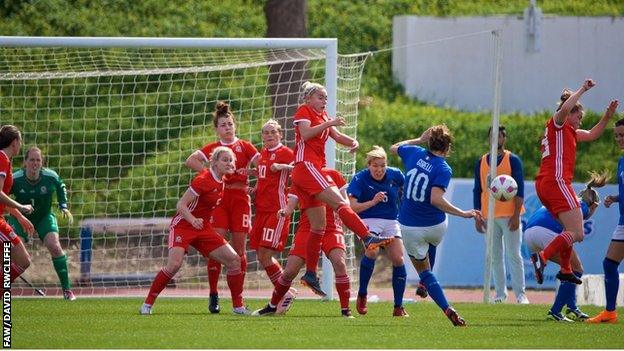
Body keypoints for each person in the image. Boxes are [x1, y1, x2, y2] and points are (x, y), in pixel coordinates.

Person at [290, 81, 391, 296]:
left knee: (318, 226)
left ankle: (309, 273)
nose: (324, 101)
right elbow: (306, 134)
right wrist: (329, 124)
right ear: (309, 99)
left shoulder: (325, 117)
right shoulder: (304, 111)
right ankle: (367, 237)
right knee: (340, 203)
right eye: (320, 97)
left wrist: (352, 141)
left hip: (311, 170)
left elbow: (336, 136)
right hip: (306, 166)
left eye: (326, 98)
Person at [390, 125, 482, 327]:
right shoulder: (443, 168)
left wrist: (418, 140)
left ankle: (446, 306)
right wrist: (463, 213)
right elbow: (436, 201)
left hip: (410, 227)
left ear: (429, 142)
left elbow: (394, 147)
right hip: (436, 227)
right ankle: (425, 283)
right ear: (448, 147)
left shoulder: (414, 153)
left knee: (425, 271)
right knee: (432, 238)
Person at [141, 147, 248, 315]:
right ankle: (147, 305)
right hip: (184, 225)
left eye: (231, 160)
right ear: (214, 162)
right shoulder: (203, 179)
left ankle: (238, 307)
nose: (229, 163)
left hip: (202, 227)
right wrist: (193, 220)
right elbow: (181, 205)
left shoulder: (223, 179)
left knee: (235, 261)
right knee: (174, 265)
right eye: (225, 160)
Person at [532, 79, 618, 286]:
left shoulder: (568, 131)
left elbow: (592, 134)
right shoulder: (558, 123)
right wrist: (583, 90)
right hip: (557, 181)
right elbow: (565, 108)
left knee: (568, 230)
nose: (580, 121)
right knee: (578, 232)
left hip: (546, 184)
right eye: (578, 116)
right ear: (568, 113)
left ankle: (566, 268)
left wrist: (607, 117)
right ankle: (542, 257)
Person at [185, 101, 259, 313]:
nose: (227, 127)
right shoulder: (214, 150)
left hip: (240, 201)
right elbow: (191, 161)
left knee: (240, 250)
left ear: (234, 126)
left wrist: (253, 175)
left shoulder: (244, 146)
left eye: (230, 124)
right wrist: (211, 175)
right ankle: (214, 293)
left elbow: (262, 165)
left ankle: (239, 298)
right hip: (219, 201)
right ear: (216, 129)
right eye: (223, 125)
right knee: (215, 249)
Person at [252, 168, 353, 317]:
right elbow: (291, 203)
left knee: (339, 262)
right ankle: (272, 306)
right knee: (290, 271)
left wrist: (340, 207)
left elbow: (346, 203)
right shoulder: (300, 177)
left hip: (331, 227)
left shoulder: (334, 174)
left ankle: (346, 311)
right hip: (308, 227)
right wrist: (285, 211)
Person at [525, 172, 607, 321]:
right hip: (545, 233)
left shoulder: (569, 200)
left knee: (567, 269)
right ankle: (555, 311)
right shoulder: (581, 207)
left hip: (529, 234)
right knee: (577, 269)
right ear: (594, 205)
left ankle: (571, 306)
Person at [8, 147, 76, 300]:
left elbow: (61, 185)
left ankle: (67, 290)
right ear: (25, 162)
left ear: (42, 162)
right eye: (31, 160)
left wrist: (63, 205)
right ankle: (4, 287)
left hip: (44, 216)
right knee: (11, 251)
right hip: (20, 217)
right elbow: (3, 196)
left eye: (38, 160)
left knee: (55, 246)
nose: (35, 163)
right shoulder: (15, 179)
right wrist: (17, 215)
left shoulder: (50, 177)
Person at [348, 146, 409, 316]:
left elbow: (406, 190)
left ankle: (398, 307)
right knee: (372, 252)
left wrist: (405, 203)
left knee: (398, 259)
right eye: (375, 166)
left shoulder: (395, 174)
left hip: (391, 221)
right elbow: (352, 207)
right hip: (368, 220)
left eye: (382, 165)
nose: (379, 169)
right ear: (369, 165)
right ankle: (362, 294)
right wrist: (373, 202)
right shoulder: (360, 178)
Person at [472, 125, 528, 304]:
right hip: (489, 217)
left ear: (505, 138)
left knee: (514, 255)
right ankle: (500, 295)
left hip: (510, 215)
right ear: (489, 138)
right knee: (495, 257)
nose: (496, 139)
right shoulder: (481, 162)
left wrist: (516, 215)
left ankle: (521, 295)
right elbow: (477, 190)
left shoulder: (513, 160)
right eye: (492, 136)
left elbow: (520, 189)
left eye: (500, 136)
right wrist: (478, 215)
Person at [249, 119, 294, 289]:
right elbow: (265, 177)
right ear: (262, 136)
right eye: (266, 133)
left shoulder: (287, 153)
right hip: (261, 210)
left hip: (277, 210)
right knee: (261, 255)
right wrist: (254, 182)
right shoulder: (263, 154)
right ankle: (284, 291)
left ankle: (284, 293)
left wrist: (281, 166)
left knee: (266, 253)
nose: (269, 135)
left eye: (273, 132)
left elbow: (301, 169)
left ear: (280, 134)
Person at [587, 118, 624, 324]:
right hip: (623, 221)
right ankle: (610, 313)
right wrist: (615, 198)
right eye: (616, 135)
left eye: (622, 135)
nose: (619, 139)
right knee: (609, 264)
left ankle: (610, 312)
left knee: (609, 264)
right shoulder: (621, 162)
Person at [0, 125, 34, 286]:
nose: (20, 145)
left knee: (5, 264)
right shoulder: (2, 159)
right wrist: (20, 207)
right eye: (20, 142)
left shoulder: (5, 161)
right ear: (14, 142)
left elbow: (3, 199)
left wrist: (19, 217)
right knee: (23, 261)